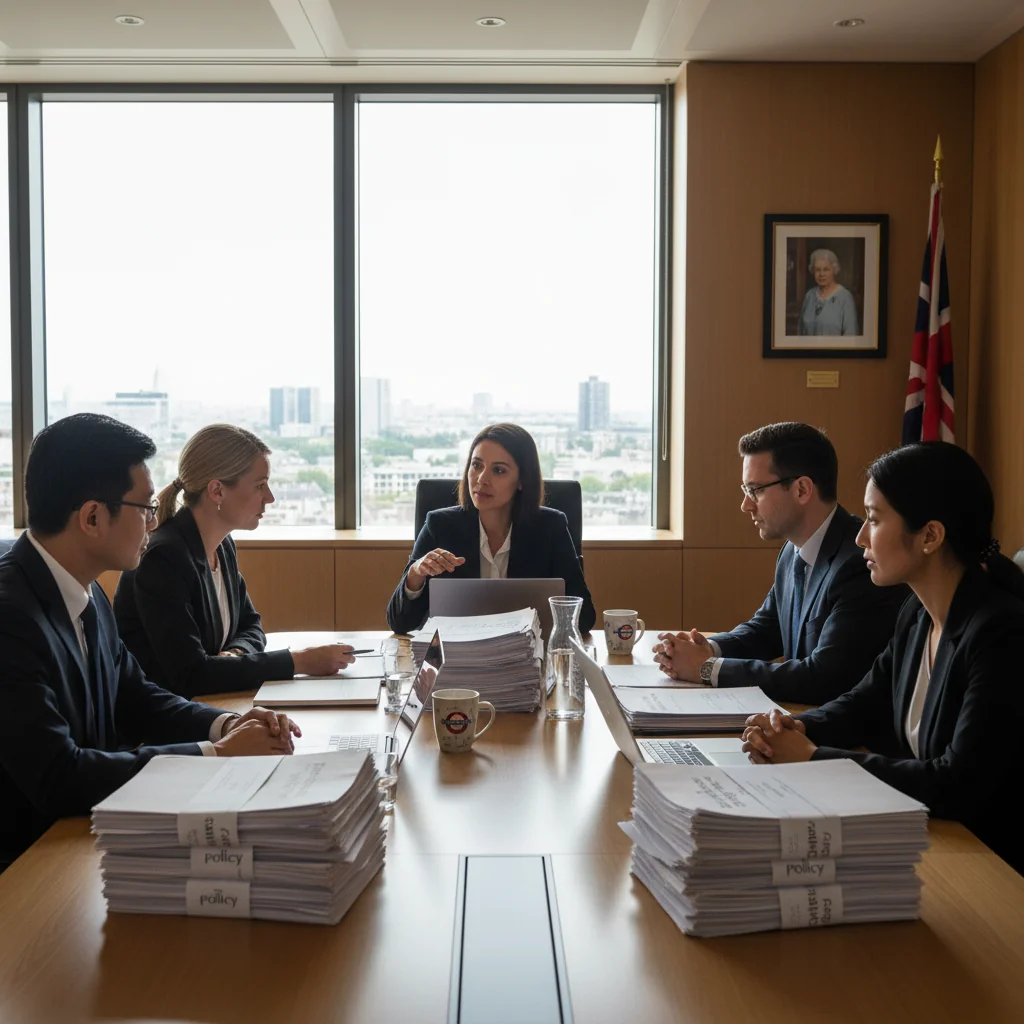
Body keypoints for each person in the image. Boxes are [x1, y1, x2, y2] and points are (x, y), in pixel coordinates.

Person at [0, 414, 299, 869]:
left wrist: (223, 726)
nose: (155, 519)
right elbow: (59, 776)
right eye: (145, 509)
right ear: (93, 518)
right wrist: (213, 755)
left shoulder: (89, 591)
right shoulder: (10, 616)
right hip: (28, 867)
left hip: (82, 840)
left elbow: (136, 696)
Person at [741, 442, 1024, 874]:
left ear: (930, 535)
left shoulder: (1000, 632)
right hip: (936, 839)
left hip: (989, 864)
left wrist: (813, 758)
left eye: (873, 519)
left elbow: (958, 783)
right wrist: (792, 727)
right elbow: (863, 703)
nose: (859, 537)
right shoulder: (915, 613)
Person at [653, 422, 906, 704]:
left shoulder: (859, 564)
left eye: (756, 490)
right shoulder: (791, 551)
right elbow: (766, 629)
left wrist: (706, 668)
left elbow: (825, 677)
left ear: (801, 490)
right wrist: (708, 648)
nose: (746, 505)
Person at [115, 424, 355, 698]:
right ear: (217, 491)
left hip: (211, 704)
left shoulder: (222, 545)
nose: (270, 498)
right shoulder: (164, 558)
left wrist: (236, 654)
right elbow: (191, 675)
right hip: (162, 727)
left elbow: (251, 625)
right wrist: (299, 662)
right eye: (260, 485)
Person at [386, 423, 595, 635]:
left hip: (527, 659)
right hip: (458, 659)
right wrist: (416, 573)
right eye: (476, 465)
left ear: (522, 480)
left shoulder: (550, 528)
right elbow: (399, 623)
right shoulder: (440, 526)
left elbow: (585, 617)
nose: (482, 479)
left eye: (498, 470)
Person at [798, 248, 860, 336]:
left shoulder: (845, 298)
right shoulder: (809, 296)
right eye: (817, 270)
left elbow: (851, 335)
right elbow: (800, 332)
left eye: (826, 269)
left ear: (834, 270)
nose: (821, 274)